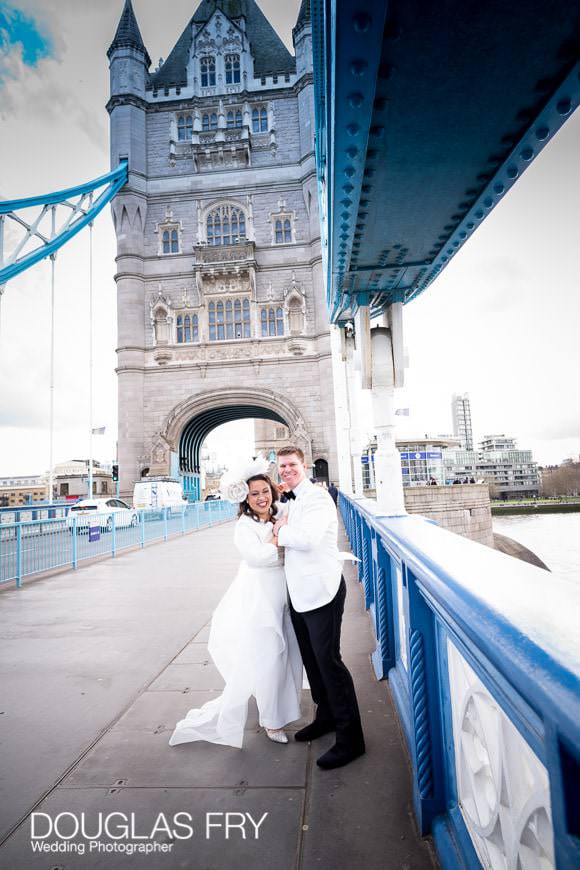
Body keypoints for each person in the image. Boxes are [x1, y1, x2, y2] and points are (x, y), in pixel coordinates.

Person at [168, 457, 303, 749]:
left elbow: (297, 505)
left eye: (265, 491)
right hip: (259, 595)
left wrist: (282, 517)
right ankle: (272, 721)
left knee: (287, 654)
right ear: (245, 498)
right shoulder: (244, 525)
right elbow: (256, 557)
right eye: (254, 494)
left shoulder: (279, 511)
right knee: (269, 658)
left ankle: (283, 708)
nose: (261, 498)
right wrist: (280, 535)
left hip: (285, 592)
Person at [273, 446, 365, 770]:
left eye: (291, 465)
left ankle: (351, 739)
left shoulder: (318, 498)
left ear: (305, 465)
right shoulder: (290, 499)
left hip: (322, 592)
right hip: (299, 592)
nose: (286, 470)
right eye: (282, 466)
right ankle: (325, 715)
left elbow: (309, 539)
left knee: (330, 663)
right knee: (312, 662)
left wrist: (279, 531)